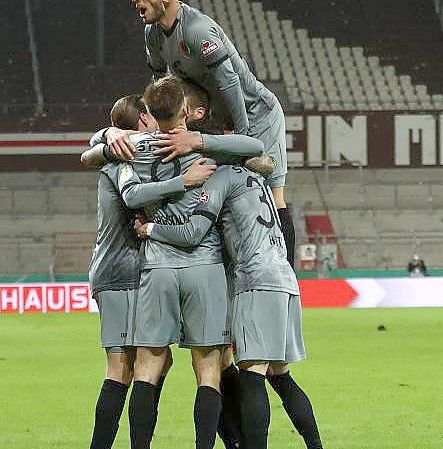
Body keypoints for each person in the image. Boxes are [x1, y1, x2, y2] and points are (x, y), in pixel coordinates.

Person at [134, 154, 324, 449]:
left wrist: (151, 229)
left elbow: (193, 232)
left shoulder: (221, 177)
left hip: (255, 278)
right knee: (280, 375)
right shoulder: (256, 177)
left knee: (252, 376)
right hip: (283, 274)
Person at [121, 0, 296, 268]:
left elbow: (229, 82)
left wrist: (242, 139)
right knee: (215, 192)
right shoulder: (153, 33)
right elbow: (160, 86)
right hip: (213, 118)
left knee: (273, 196)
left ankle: (287, 276)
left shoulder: (198, 29)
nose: (135, 1)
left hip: (254, 113)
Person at [83, 94, 213, 449]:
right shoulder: (123, 155)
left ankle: (141, 441)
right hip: (119, 270)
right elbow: (131, 197)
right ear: (141, 120)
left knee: (158, 361)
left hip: (133, 271)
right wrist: (183, 182)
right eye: (151, 116)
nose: (158, 120)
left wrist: (103, 135)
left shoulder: (130, 148)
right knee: (121, 369)